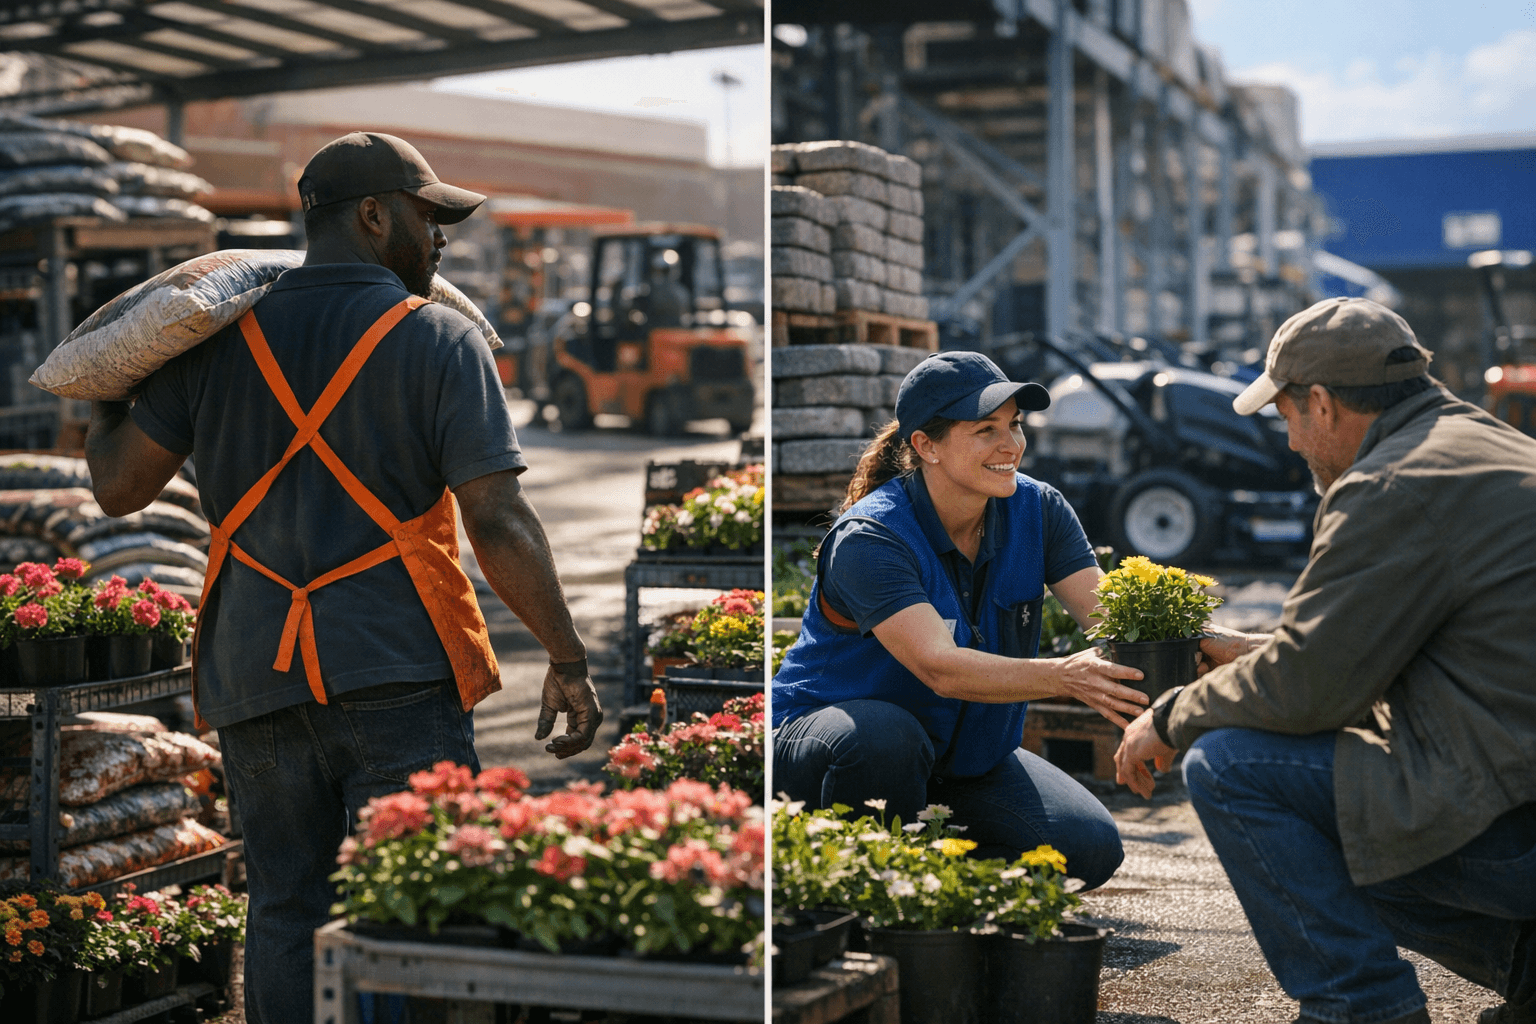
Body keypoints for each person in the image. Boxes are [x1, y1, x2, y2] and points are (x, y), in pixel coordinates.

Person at [84, 132, 603, 1024]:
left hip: (254, 674)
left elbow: (117, 486)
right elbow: (498, 518)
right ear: (371, 216)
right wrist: (567, 654)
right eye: (428, 216)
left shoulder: (211, 341)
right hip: (395, 670)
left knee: (285, 908)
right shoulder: (438, 337)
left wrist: (108, 394)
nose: (441, 239)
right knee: (407, 910)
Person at [1114, 297, 1536, 1024]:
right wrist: (1259, 654)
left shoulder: (1389, 485)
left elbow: (1311, 689)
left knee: (1235, 767)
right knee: (1351, 803)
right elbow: (1399, 644)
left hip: (1516, 834)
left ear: (1321, 403)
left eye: (1285, 418)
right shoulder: (1490, 447)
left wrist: (1171, 713)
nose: (1289, 443)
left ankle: (1361, 1007)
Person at [773, 351, 1149, 887]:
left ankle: (933, 881)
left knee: (1086, 848)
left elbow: (1116, 622)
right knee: (885, 738)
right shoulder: (872, 537)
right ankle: (856, 895)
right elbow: (940, 668)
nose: (1010, 445)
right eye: (985, 429)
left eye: (1015, 425)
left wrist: (1219, 645)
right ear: (926, 445)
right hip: (830, 751)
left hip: (961, 762)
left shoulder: (1038, 510)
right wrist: (1065, 676)